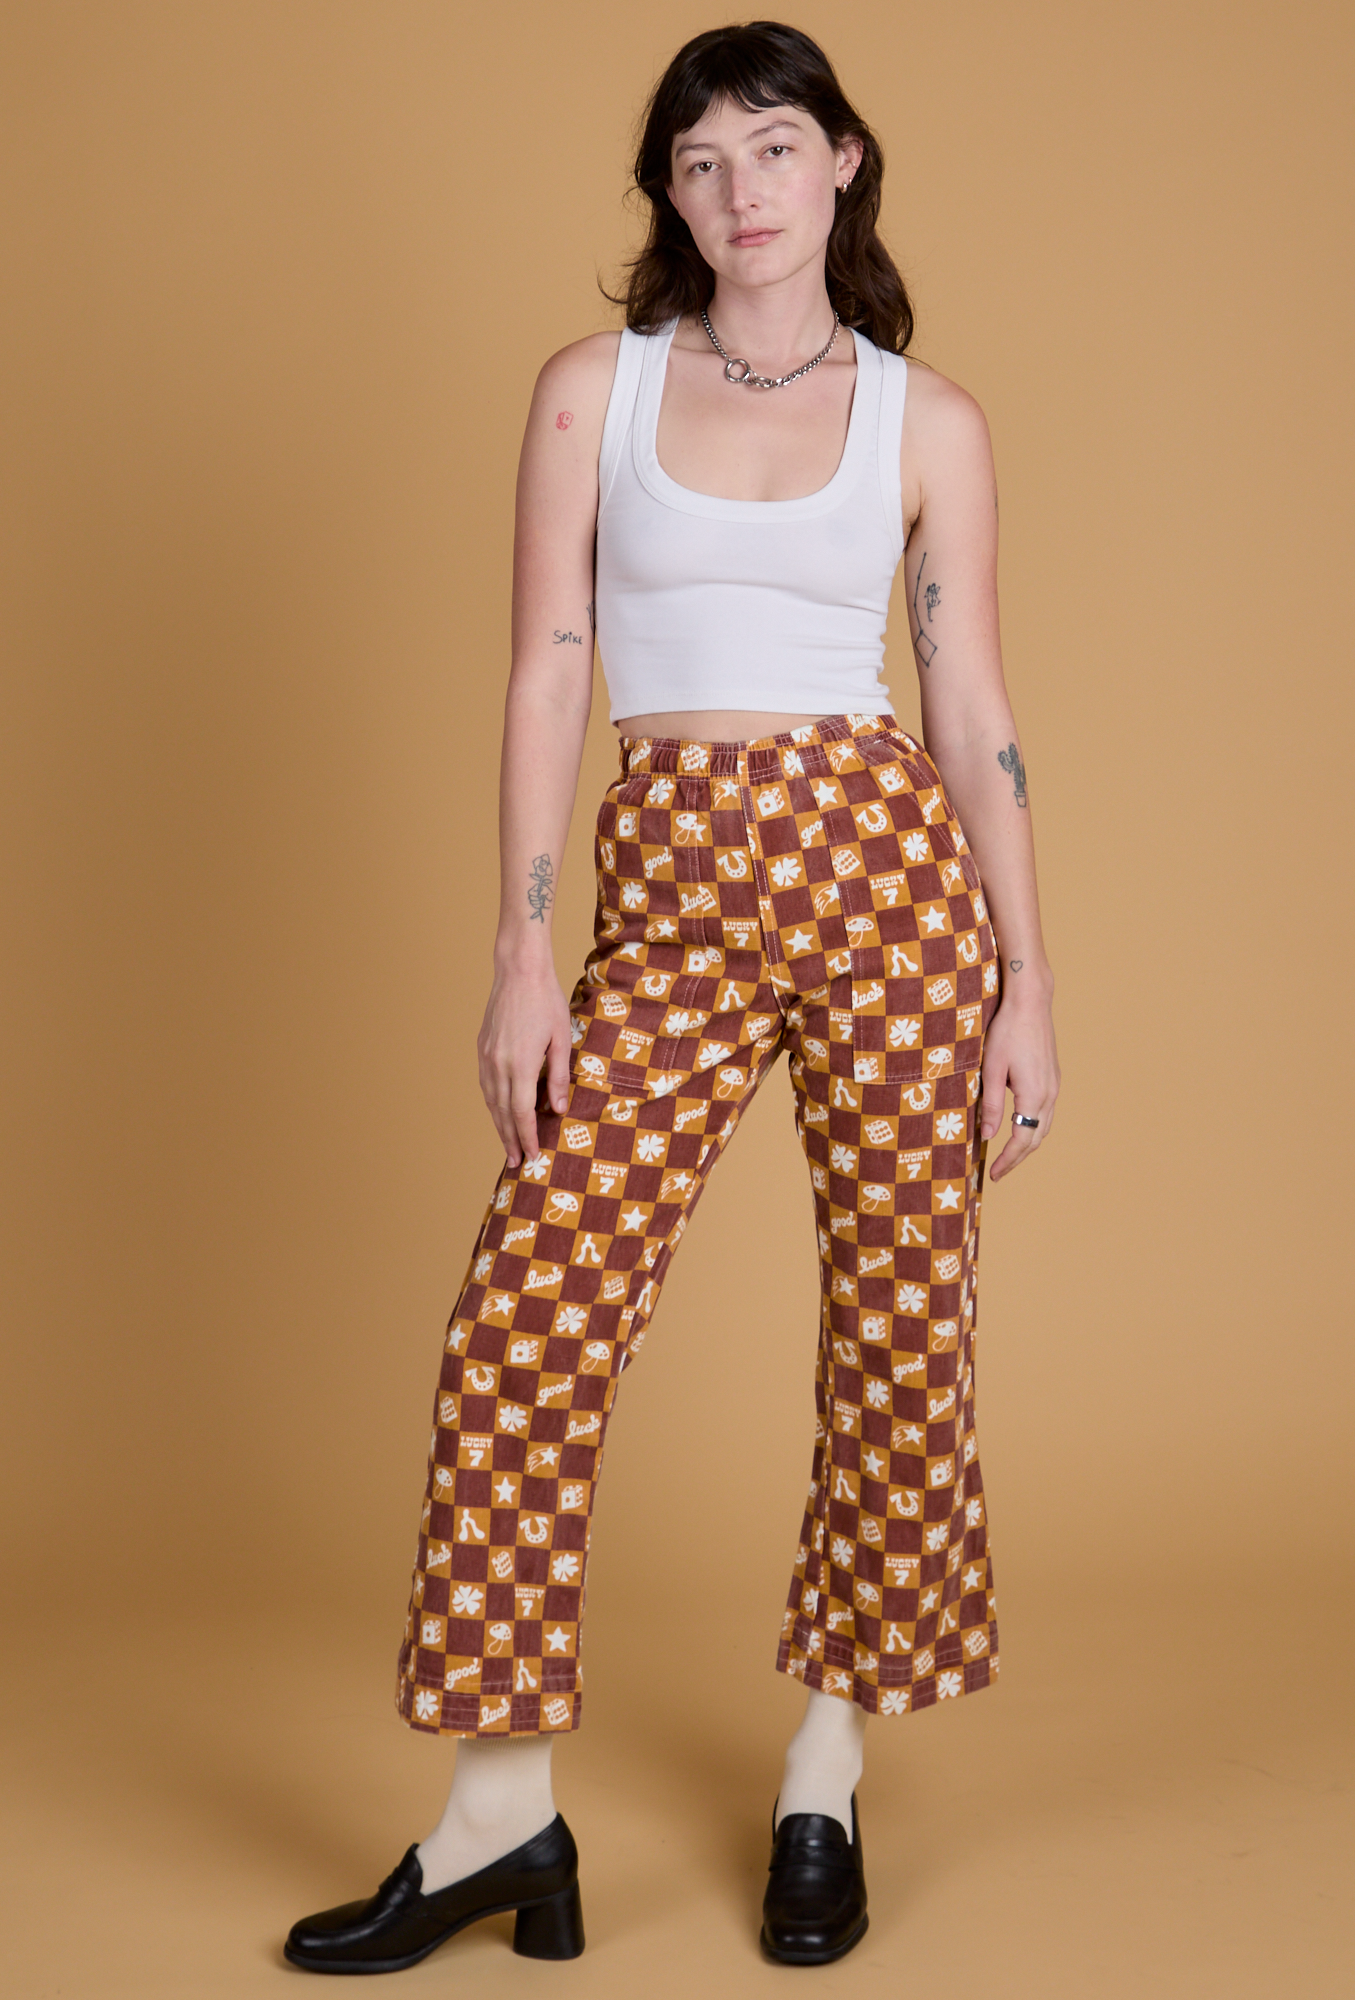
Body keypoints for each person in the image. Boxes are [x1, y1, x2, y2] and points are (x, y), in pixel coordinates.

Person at [284, 18, 1058, 1975]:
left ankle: (825, 1775)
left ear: (843, 161)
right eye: (699, 162)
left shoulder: (928, 421)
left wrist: (1028, 978)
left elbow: (969, 703)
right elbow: (549, 663)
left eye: (773, 148)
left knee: (904, 1335)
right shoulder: (593, 392)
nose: (739, 190)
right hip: (675, 886)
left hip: (888, 876)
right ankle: (499, 1817)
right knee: (527, 1314)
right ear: (671, 196)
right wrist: (520, 948)